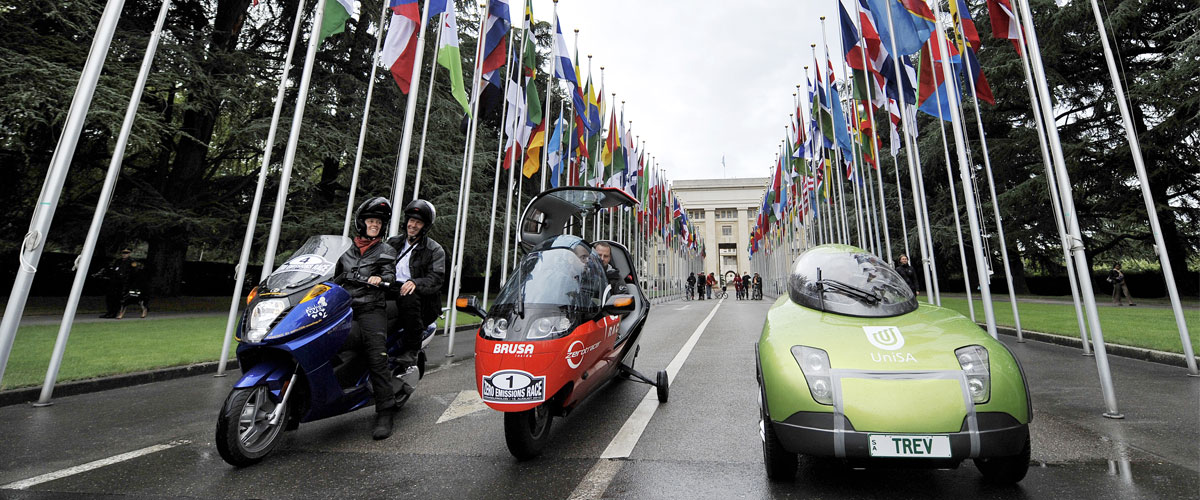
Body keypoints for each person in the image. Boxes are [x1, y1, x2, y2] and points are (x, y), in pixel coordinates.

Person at [335, 197, 399, 440]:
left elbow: (389, 275)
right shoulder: (346, 251)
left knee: (376, 355)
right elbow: (334, 278)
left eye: (379, 222)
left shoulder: (385, 250)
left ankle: (385, 410)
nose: (375, 225)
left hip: (371, 308)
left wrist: (381, 280)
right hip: (345, 308)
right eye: (371, 221)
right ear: (361, 223)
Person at [385, 199, 447, 372]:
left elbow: (436, 277)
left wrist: (415, 282)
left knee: (408, 295)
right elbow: (379, 264)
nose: (413, 225)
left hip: (420, 298)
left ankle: (411, 349)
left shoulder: (434, 250)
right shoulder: (393, 243)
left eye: (418, 222)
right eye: (411, 220)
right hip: (391, 289)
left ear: (425, 226)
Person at [95, 248, 137, 318]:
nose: (124, 254)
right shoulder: (118, 261)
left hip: (123, 283)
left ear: (129, 254)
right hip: (114, 282)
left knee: (117, 298)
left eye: (126, 253)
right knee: (110, 297)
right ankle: (109, 312)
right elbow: (113, 270)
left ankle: (115, 312)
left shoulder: (132, 262)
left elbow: (133, 274)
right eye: (123, 253)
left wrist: (128, 283)